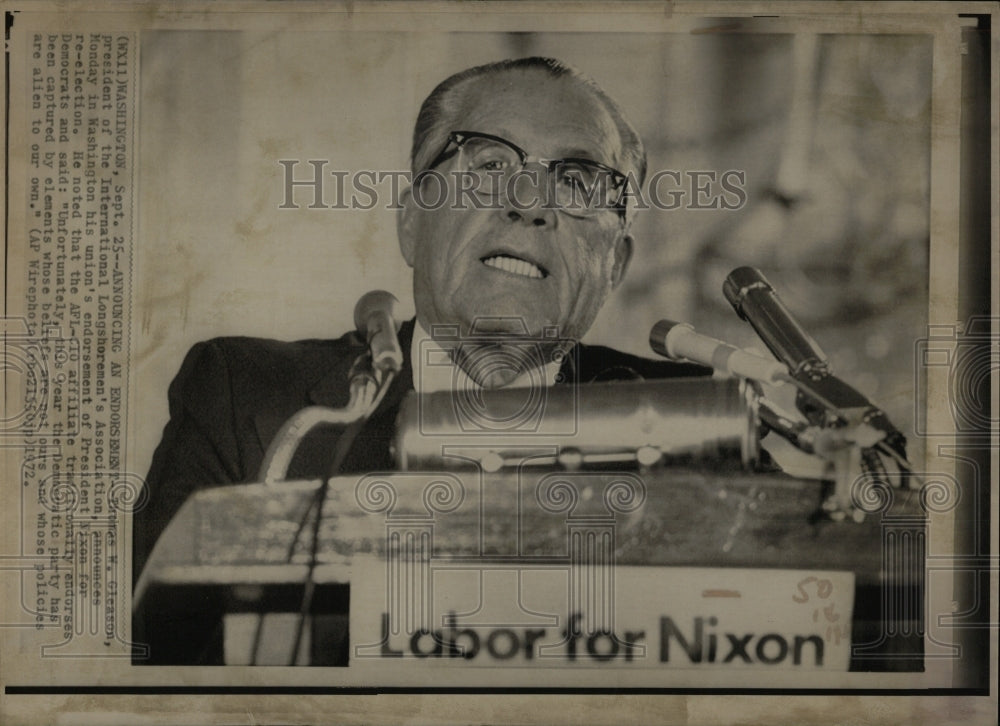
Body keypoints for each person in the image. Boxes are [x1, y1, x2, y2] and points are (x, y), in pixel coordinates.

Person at [132, 57, 711, 663]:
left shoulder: (697, 421)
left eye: (577, 184)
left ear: (614, 264)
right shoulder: (242, 395)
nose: (529, 204)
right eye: (490, 166)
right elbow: (163, 665)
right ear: (412, 221)